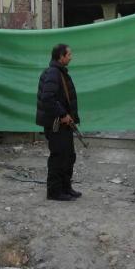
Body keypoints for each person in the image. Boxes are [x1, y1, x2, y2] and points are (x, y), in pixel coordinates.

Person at [35, 44, 81, 202]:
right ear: (61, 56)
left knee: (68, 156)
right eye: (69, 54)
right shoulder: (53, 73)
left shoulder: (59, 72)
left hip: (64, 124)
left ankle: (66, 188)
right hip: (56, 125)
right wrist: (62, 114)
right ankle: (54, 192)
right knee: (59, 157)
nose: (71, 57)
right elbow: (47, 99)